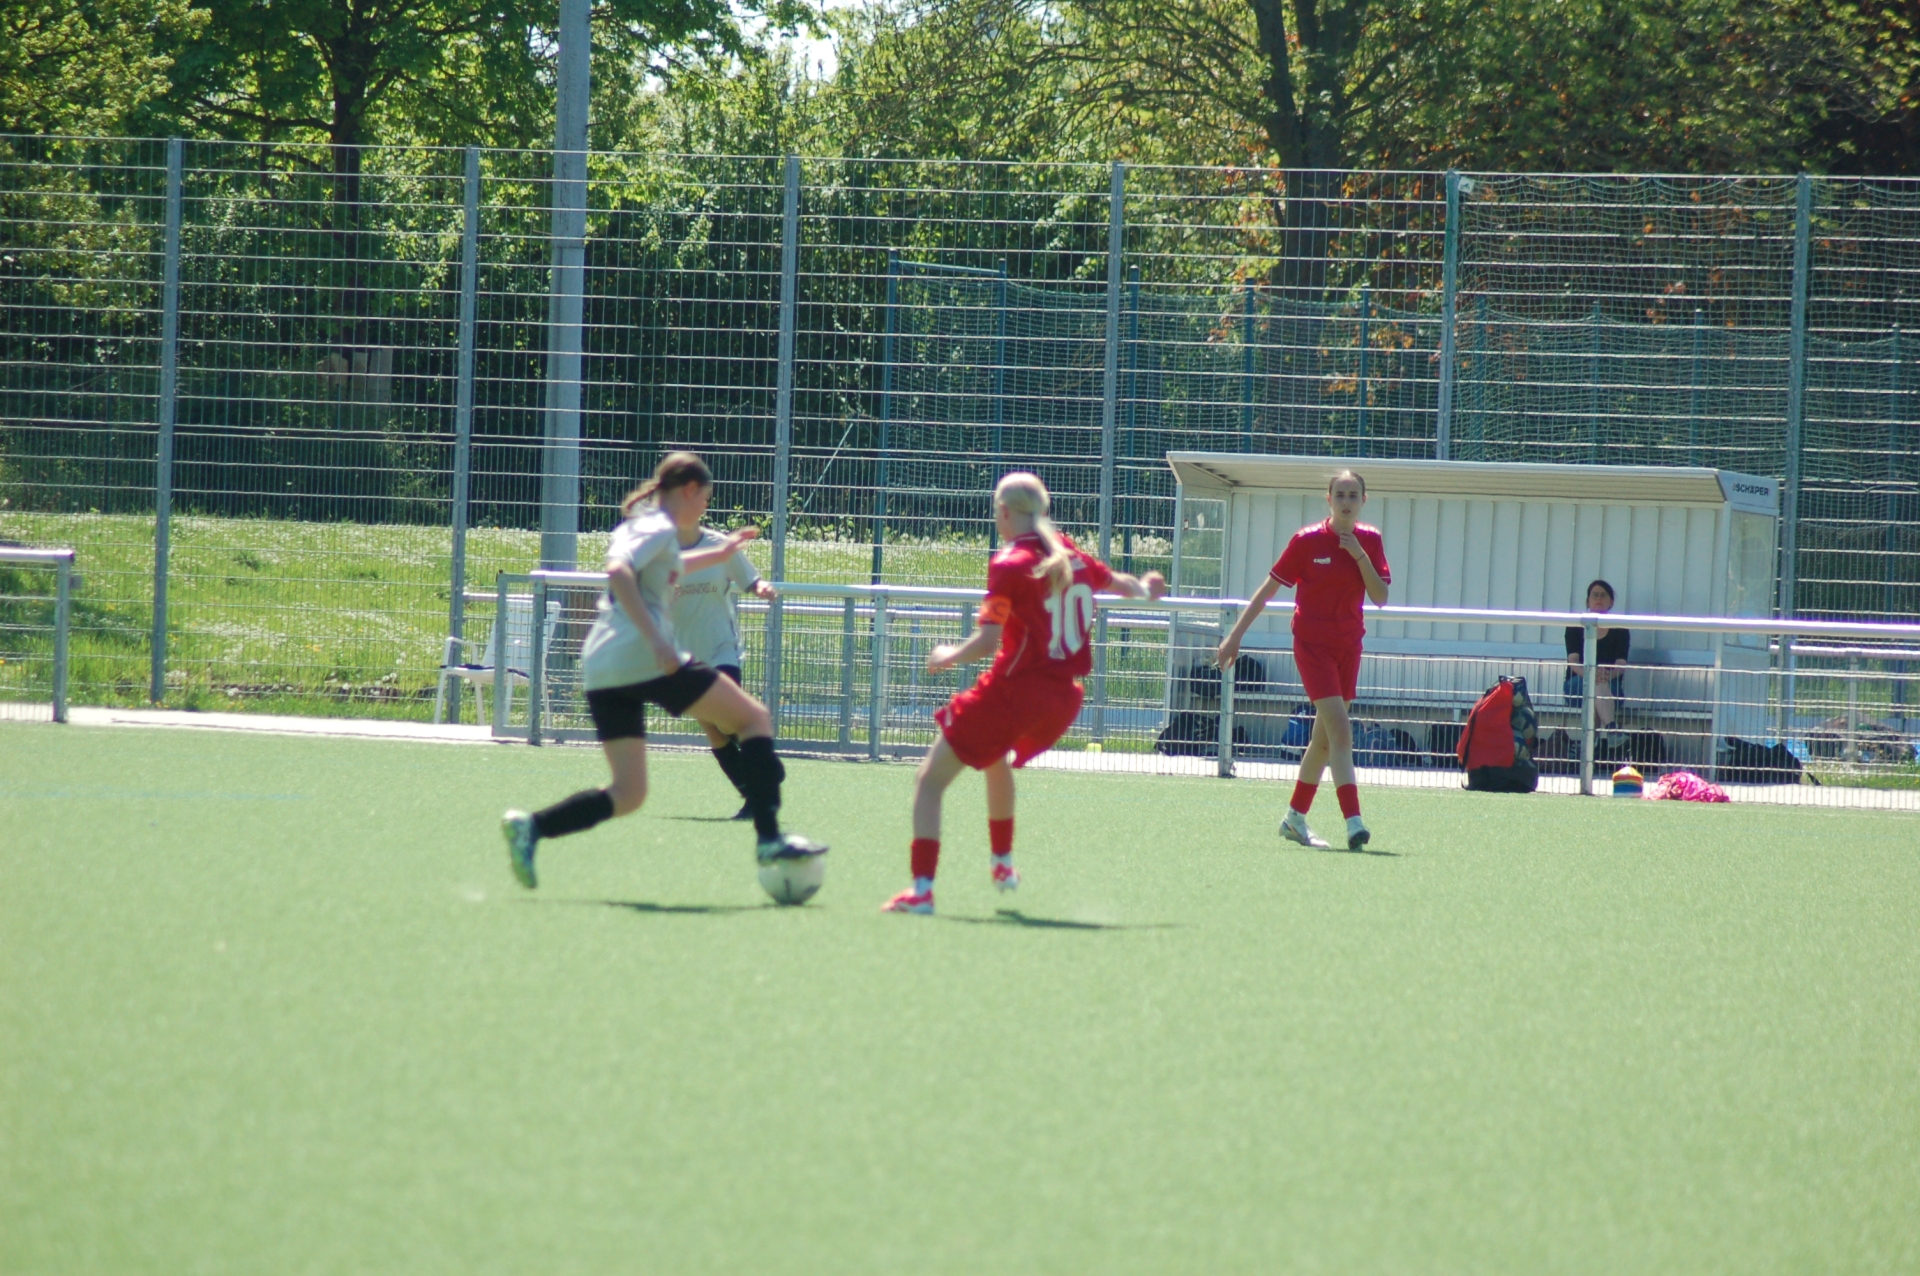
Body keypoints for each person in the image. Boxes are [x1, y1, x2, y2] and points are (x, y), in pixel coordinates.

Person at [500, 452, 824, 888]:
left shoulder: (645, 528)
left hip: (603, 665)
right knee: (754, 719)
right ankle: (769, 838)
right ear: (689, 490)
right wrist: (656, 639)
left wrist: (722, 553)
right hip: (643, 657)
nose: (705, 507)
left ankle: (532, 827)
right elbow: (618, 571)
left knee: (629, 793)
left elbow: (668, 568)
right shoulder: (658, 527)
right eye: (705, 498)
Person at [881, 472, 1167, 915]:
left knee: (930, 781)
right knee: (993, 757)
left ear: (1004, 512)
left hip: (1015, 694)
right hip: (1061, 700)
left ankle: (921, 891)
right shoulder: (1069, 555)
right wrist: (1148, 589)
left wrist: (945, 655)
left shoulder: (1010, 564)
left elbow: (986, 643)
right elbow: (1121, 584)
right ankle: (1002, 864)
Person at [1216, 469, 1390, 852]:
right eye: (1340, 494)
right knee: (1341, 731)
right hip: (1312, 647)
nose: (1346, 501)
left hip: (1349, 647)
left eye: (1353, 495)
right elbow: (1267, 590)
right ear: (1328, 499)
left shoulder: (1370, 541)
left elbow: (1380, 597)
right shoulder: (1306, 541)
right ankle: (1354, 822)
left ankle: (1294, 818)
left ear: (1363, 500)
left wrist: (1359, 555)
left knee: (1324, 742)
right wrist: (1235, 636)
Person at [669, 501, 779, 820]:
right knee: (713, 728)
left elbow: (750, 579)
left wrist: (762, 588)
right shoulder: (658, 551)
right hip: (682, 654)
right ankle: (755, 795)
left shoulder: (718, 544)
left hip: (722, 647)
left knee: (728, 719)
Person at [1565, 578, 1629, 747]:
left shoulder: (1620, 629)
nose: (1599, 598)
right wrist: (1590, 674)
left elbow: (1621, 664)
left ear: (1611, 602)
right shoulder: (1575, 626)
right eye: (1595, 595)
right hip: (1577, 682)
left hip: (1610, 685)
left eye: (1603, 595)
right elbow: (1573, 661)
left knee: (1597, 686)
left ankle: (1589, 747)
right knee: (1594, 682)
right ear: (1588, 601)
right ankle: (1612, 730)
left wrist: (1606, 675)